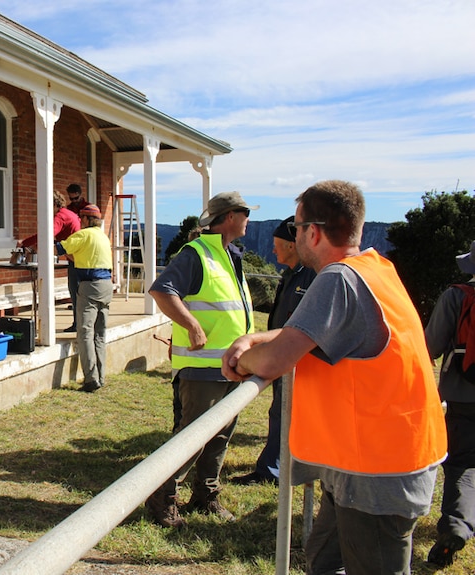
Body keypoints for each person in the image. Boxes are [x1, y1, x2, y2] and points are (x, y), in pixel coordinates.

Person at [221, 180, 446, 575]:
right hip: (372, 462)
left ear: (314, 231)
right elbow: (307, 331)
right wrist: (254, 337)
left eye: (297, 227)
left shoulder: (338, 278)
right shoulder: (375, 269)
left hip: (376, 473)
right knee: (323, 559)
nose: (295, 236)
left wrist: (244, 361)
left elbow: (275, 360)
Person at [146, 191, 258, 527]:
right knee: (191, 438)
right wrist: (192, 326)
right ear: (229, 217)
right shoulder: (196, 254)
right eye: (246, 212)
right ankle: (160, 500)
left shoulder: (230, 254)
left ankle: (205, 495)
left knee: (220, 435)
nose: (249, 218)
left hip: (232, 367)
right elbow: (162, 290)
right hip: (203, 368)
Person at [232, 216, 315, 486]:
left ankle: (272, 471)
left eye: (277, 244)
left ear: (292, 245)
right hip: (284, 356)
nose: (272, 250)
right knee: (281, 411)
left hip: (298, 361)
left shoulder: (311, 276)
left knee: (283, 412)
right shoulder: (292, 274)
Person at [424, 240, 475, 567]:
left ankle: (457, 524)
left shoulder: (456, 296)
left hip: (463, 396)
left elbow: (429, 346)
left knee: (463, 464)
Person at [56, 204, 112, 392]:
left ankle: (90, 379)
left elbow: (59, 248)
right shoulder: (103, 236)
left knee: (85, 332)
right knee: (100, 333)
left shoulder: (83, 235)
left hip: (90, 286)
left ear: (88, 219)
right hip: (107, 286)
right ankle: (101, 376)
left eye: (81, 218)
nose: (79, 221)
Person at [17, 190, 81, 332]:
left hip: (76, 258)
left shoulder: (60, 217)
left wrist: (24, 243)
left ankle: (79, 324)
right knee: (78, 292)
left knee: (75, 292)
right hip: (79, 256)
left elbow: (46, 234)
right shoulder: (68, 213)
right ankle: (80, 323)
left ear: (54, 204)